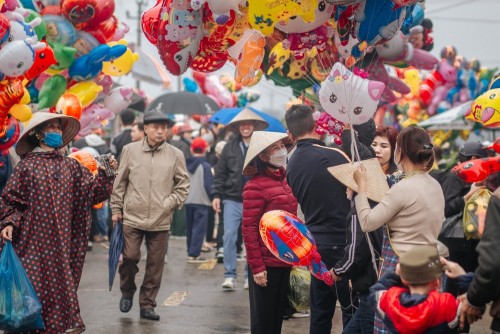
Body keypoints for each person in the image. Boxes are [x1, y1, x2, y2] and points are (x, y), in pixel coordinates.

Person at [0, 112, 116, 333]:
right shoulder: (26, 168)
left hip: (62, 246)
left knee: (56, 292)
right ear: (38, 134)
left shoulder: (71, 167)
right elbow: (11, 201)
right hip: (30, 243)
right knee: (31, 292)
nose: (56, 131)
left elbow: (92, 195)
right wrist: (9, 223)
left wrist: (106, 174)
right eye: (51, 128)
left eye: (58, 128)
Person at [352, 126, 445, 333]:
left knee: (394, 325)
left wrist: (361, 189)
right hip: (430, 265)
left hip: (400, 267)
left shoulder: (402, 188)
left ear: (400, 151)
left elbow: (368, 222)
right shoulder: (435, 184)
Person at [110, 111, 190, 321]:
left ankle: (147, 304)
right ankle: (127, 291)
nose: (160, 130)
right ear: (145, 129)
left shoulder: (175, 154)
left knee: (155, 265)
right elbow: (120, 183)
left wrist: (169, 203)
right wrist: (116, 209)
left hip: (160, 219)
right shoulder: (129, 150)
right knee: (129, 258)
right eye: (155, 126)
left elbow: (183, 185)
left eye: (163, 127)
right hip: (132, 217)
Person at [284, 104, 356, 333]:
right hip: (344, 242)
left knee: (320, 311)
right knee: (350, 307)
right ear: (317, 126)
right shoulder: (335, 155)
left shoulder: (291, 164)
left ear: (290, 134)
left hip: (314, 245)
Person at [241, 131, 298, 334]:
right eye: (275, 148)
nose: (281, 151)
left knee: (276, 320)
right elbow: (248, 229)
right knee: (263, 322)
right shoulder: (254, 187)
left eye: (282, 146)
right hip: (266, 263)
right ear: (264, 157)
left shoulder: (283, 181)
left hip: (284, 259)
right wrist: (257, 267)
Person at [212, 108, 269, 290]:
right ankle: (229, 275)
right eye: (242, 125)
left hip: (255, 199)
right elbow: (220, 173)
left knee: (252, 238)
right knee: (228, 236)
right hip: (232, 198)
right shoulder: (229, 146)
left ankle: (249, 274)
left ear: (254, 126)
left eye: (248, 124)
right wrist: (216, 195)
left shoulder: (261, 146)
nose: (245, 127)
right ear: (237, 127)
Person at [442, 185, 500, 333]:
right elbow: (447, 208)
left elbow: (493, 264)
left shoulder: (497, 197)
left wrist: (474, 300)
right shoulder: (455, 180)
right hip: (460, 247)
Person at [371, 245, 461, 333]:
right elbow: (471, 304)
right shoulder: (446, 305)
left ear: (404, 280)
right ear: (438, 282)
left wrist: (396, 273)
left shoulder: (391, 301)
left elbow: (375, 292)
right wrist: (462, 276)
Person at [436, 141, 487, 296]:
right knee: (453, 288)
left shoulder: (477, 177)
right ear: (473, 157)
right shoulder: (454, 177)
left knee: (466, 288)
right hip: (456, 243)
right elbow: (446, 208)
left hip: (472, 242)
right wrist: (468, 195)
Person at [185, 137, 214, 263]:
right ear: (205, 150)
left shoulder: (185, 164)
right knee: (199, 229)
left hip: (188, 200)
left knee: (190, 227)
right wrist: (213, 198)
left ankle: (190, 250)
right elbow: (209, 185)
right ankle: (194, 254)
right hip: (202, 201)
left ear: (191, 149)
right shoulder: (205, 166)